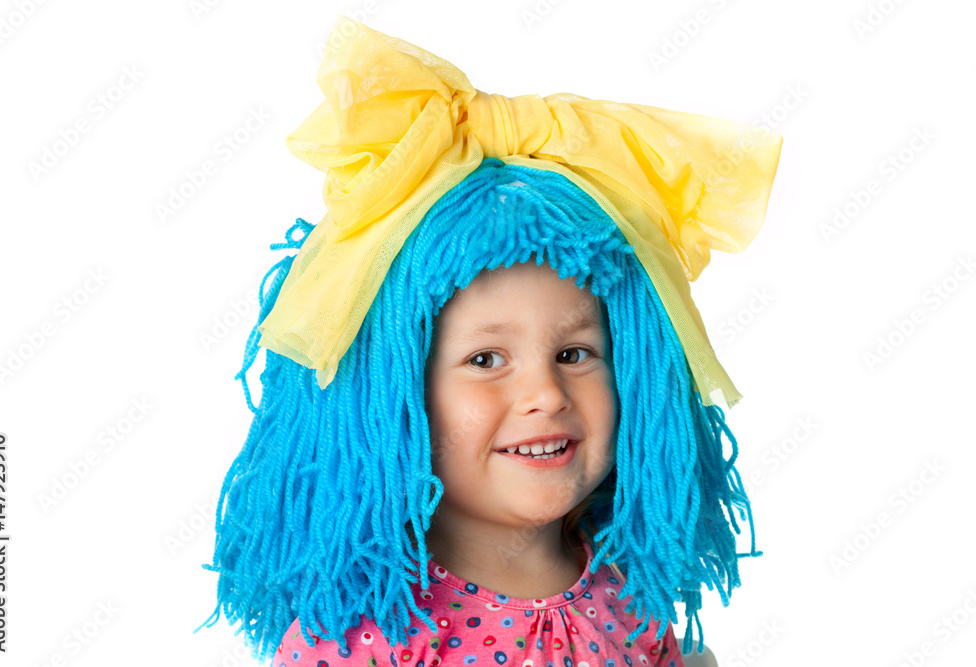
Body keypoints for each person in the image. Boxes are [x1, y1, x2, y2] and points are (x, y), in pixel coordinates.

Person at [199, 16, 782, 667]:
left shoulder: (632, 602)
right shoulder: (368, 639)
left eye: (574, 354)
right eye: (484, 359)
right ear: (388, 399)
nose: (546, 394)